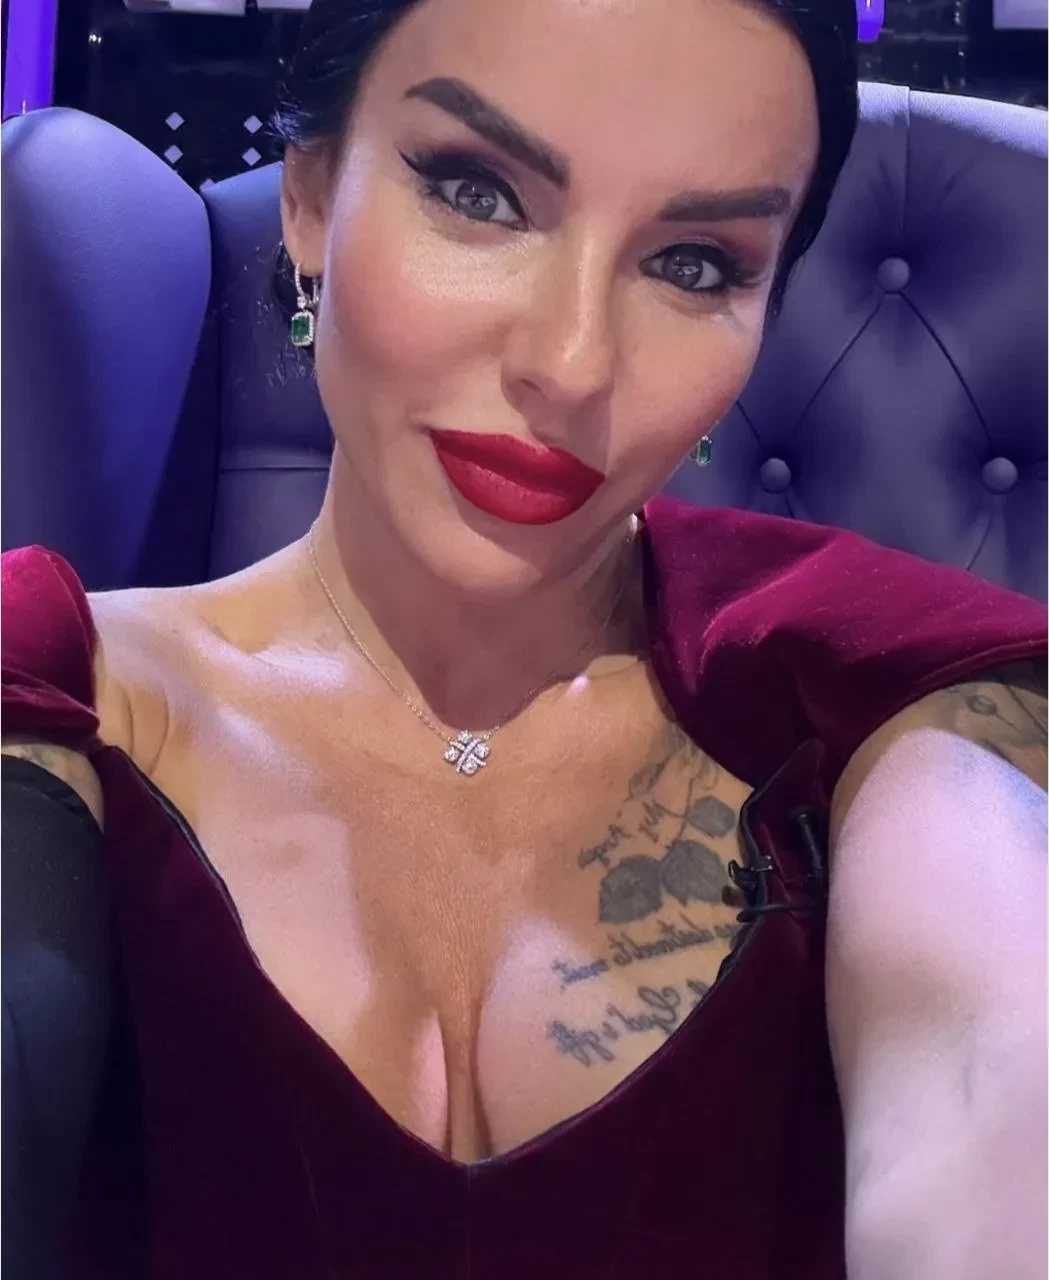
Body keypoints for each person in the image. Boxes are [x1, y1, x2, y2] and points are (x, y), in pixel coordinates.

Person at [2, 0, 1046, 1275]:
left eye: (693, 264)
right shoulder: (61, 690)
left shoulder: (860, 682)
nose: (572, 362)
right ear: (310, 200)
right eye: (476, 193)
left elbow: (989, 1075)